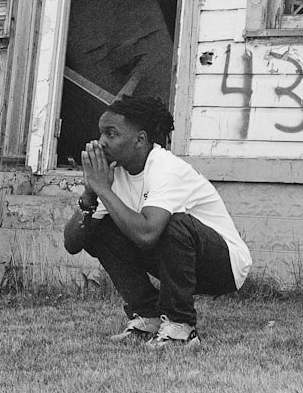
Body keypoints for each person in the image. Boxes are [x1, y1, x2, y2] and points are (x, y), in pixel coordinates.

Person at [63, 96, 251, 347]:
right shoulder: (113, 174)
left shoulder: (164, 167)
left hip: (223, 265)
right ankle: (148, 315)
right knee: (98, 230)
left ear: (140, 139)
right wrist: (90, 194)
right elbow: (73, 244)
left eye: (111, 133)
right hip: (174, 259)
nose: (101, 142)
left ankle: (181, 326)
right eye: (101, 133)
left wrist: (103, 190)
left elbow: (148, 235)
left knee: (170, 222)